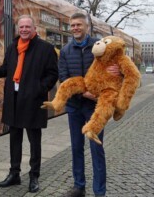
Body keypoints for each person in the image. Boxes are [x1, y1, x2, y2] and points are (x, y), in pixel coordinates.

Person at [0, 15, 58, 193]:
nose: (24, 29)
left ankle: (34, 176)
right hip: (14, 100)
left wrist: (39, 89)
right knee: (14, 139)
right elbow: (5, 70)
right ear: (18, 29)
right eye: (21, 27)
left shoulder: (45, 48)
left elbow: (52, 74)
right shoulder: (12, 48)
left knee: (35, 141)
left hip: (33, 101)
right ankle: (14, 174)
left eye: (27, 27)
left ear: (34, 29)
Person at [60, 13, 116, 197]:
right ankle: (79, 186)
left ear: (87, 27)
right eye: (72, 25)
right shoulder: (65, 51)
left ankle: (99, 191)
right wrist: (84, 92)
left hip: (95, 109)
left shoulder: (101, 47)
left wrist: (116, 70)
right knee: (76, 147)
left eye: (79, 25)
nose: (75, 28)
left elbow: (115, 69)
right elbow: (64, 78)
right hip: (75, 106)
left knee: (96, 149)